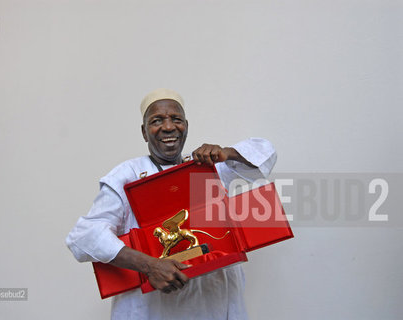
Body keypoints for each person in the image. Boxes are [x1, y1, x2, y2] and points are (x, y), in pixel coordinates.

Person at [66, 88, 277, 320]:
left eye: (176, 120)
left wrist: (228, 153)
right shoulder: (127, 175)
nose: (168, 127)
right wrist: (150, 266)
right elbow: (83, 237)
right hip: (154, 309)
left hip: (215, 303)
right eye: (157, 121)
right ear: (144, 132)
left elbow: (265, 153)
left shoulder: (205, 167)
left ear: (186, 125)